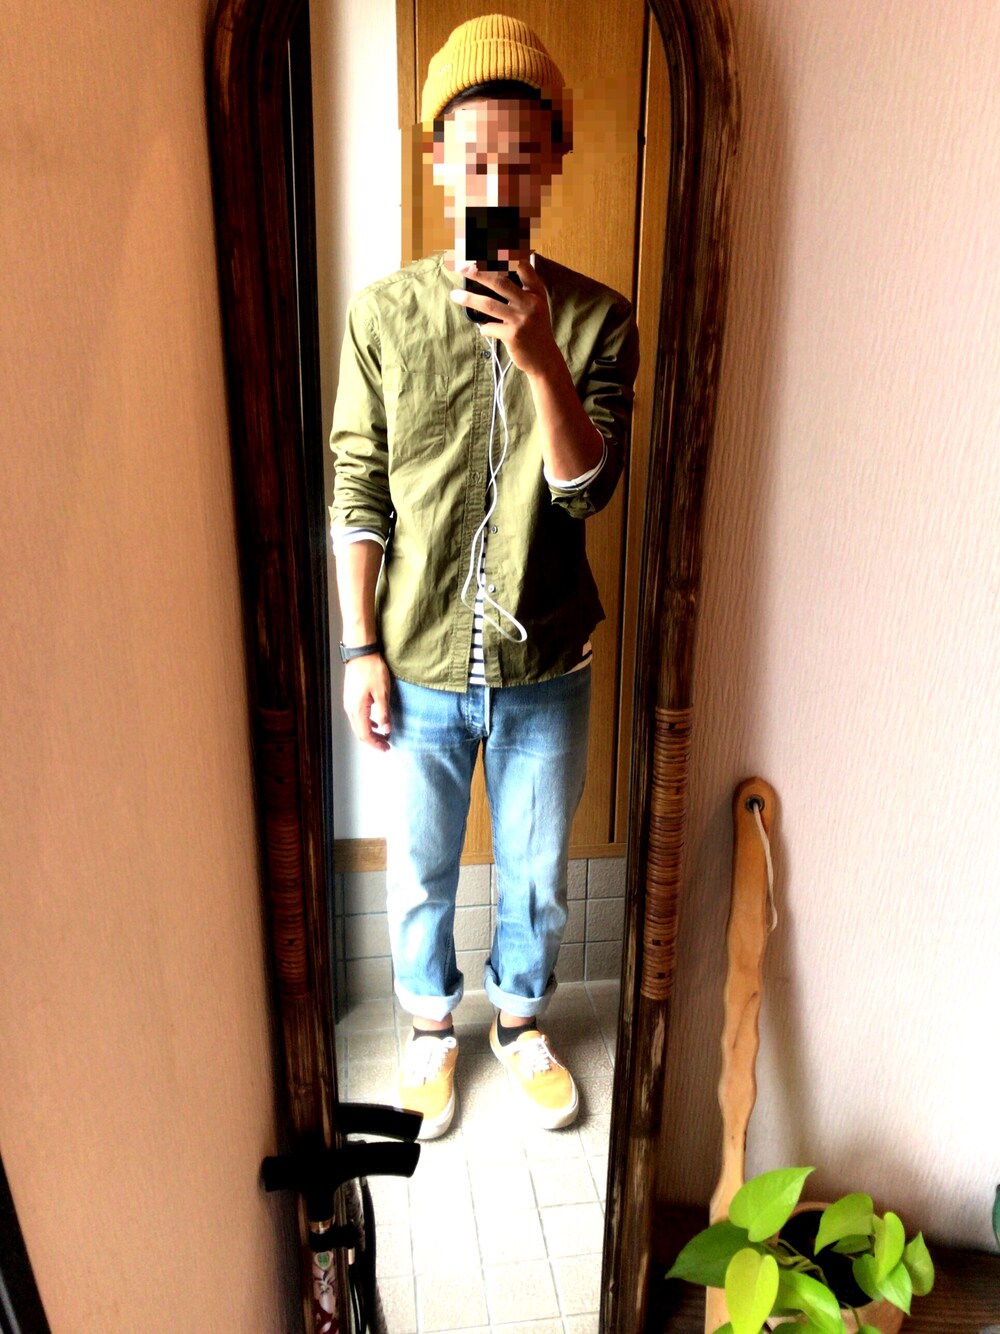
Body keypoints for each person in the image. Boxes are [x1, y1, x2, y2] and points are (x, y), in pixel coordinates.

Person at [329, 13, 639, 1139]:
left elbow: (587, 491)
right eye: (474, 159)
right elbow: (357, 486)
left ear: (552, 164)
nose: (496, 183)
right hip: (414, 655)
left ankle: (519, 1021)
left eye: (519, 159)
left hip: (546, 654)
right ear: (436, 162)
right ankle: (428, 1028)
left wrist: (540, 354)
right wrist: (359, 646)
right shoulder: (382, 316)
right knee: (418, 866)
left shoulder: (597, 320)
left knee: (537, 871)